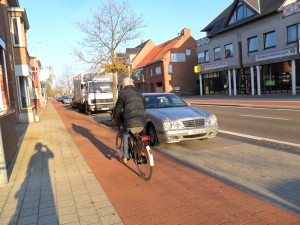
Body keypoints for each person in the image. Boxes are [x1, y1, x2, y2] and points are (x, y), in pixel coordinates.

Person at [112, 77, 147, 164]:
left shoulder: (123, 93)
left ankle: (126, 156)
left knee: (125, 134)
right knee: (139, 135)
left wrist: (115, 117)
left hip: (130, 121)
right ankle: (141, 152)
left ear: (124, 84)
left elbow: (118, 109)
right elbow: (144, 106)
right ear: (132, 84)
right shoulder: (138, 92)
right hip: (142, 120)